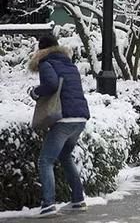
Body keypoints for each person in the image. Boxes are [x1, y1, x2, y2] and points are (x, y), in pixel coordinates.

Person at [28, 35, 90, 217]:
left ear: (41, 50)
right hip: (79, 118)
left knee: (45, 160)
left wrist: (34, 92)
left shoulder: (46, 63)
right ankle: (78, 199)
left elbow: (52, 84)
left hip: (64, 119)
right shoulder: (69, 64)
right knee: (65, 155)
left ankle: (48, 204)